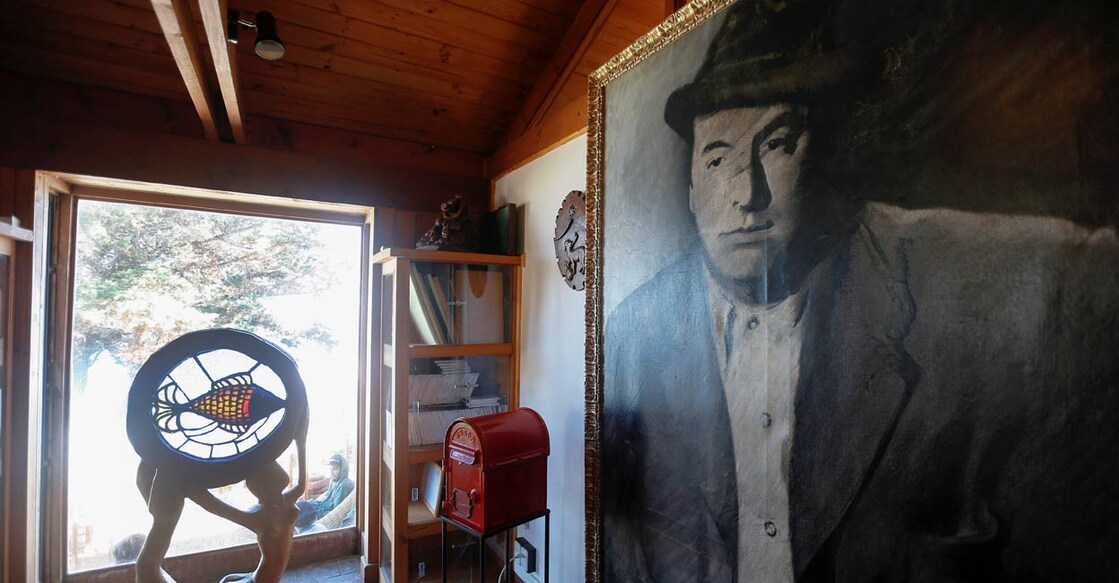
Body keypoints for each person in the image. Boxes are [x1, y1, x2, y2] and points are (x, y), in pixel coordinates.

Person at [601, 0, 1119, 581]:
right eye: (717, 159)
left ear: (817, 155)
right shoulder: (632, 332)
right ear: (693, 187)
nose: (746, 193)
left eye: (775, 144)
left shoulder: (950, 286)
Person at [190, 410, 309, 583]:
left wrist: (190, 488)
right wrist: (301, 441)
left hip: (260, 580)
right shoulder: (288, 500)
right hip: (267, 576)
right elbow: (301, 483)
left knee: (224, 582)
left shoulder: (260, 516)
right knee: (228, 578)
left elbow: (213, 506)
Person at [295, 453, 354, 531]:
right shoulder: (334, 481)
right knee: (301, 505)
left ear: (342, 469)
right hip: (323, 506)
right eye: (331, 469)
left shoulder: (345, 484)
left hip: (328, 511)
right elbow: (326, 497)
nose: (332, 472)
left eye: (335, 469)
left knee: (302, 512)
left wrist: (315, 508)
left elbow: (335, 508)